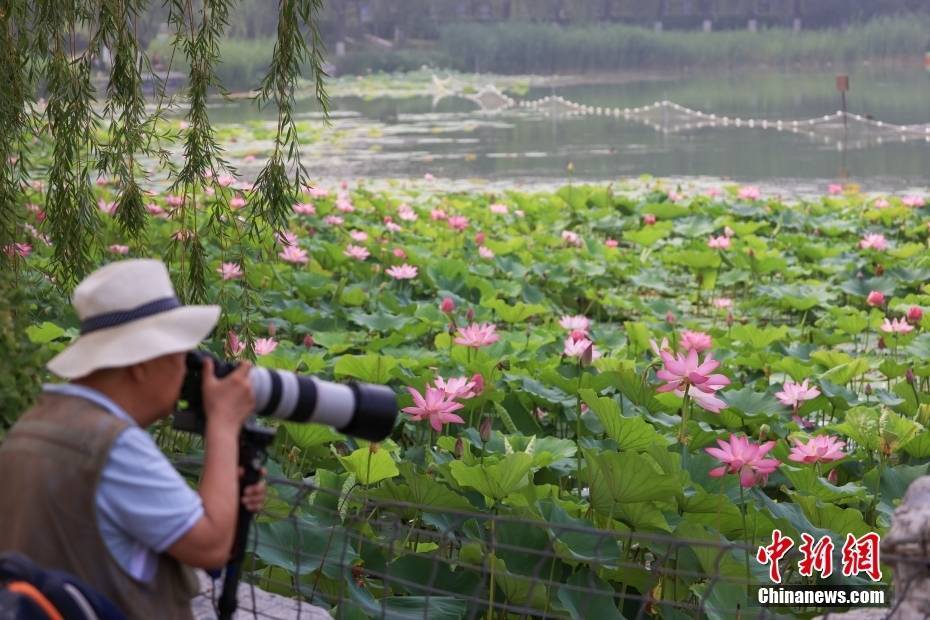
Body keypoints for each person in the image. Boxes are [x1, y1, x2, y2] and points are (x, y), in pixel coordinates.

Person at [0, 258, 265, 619]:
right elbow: (211, 546)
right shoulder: (113, 446)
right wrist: (224, 424)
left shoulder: (32, 425)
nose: (185, 369)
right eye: (179, 356)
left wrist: (226, 491)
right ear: (141, 363)